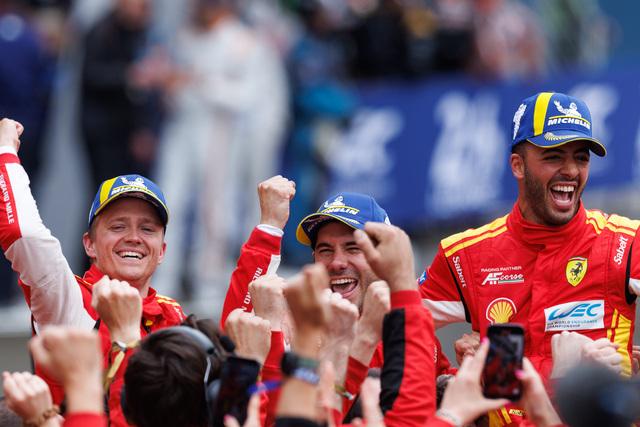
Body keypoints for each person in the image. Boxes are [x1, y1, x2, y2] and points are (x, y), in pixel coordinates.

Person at [420, 92, 640, 420]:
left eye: (581, 158)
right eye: (554, 156)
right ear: (518, 165)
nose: (571, 170)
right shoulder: (466, 255)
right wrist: (447, 380)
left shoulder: (625, 242)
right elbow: (396, 325)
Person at [0, 118, 209, 425]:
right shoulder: (67, 299)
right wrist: (5, 151)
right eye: (118, 226)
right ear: (90, 245)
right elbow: (24, 234)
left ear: (162, 251)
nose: (134, 237)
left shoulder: (173, 316)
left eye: (147, 229)